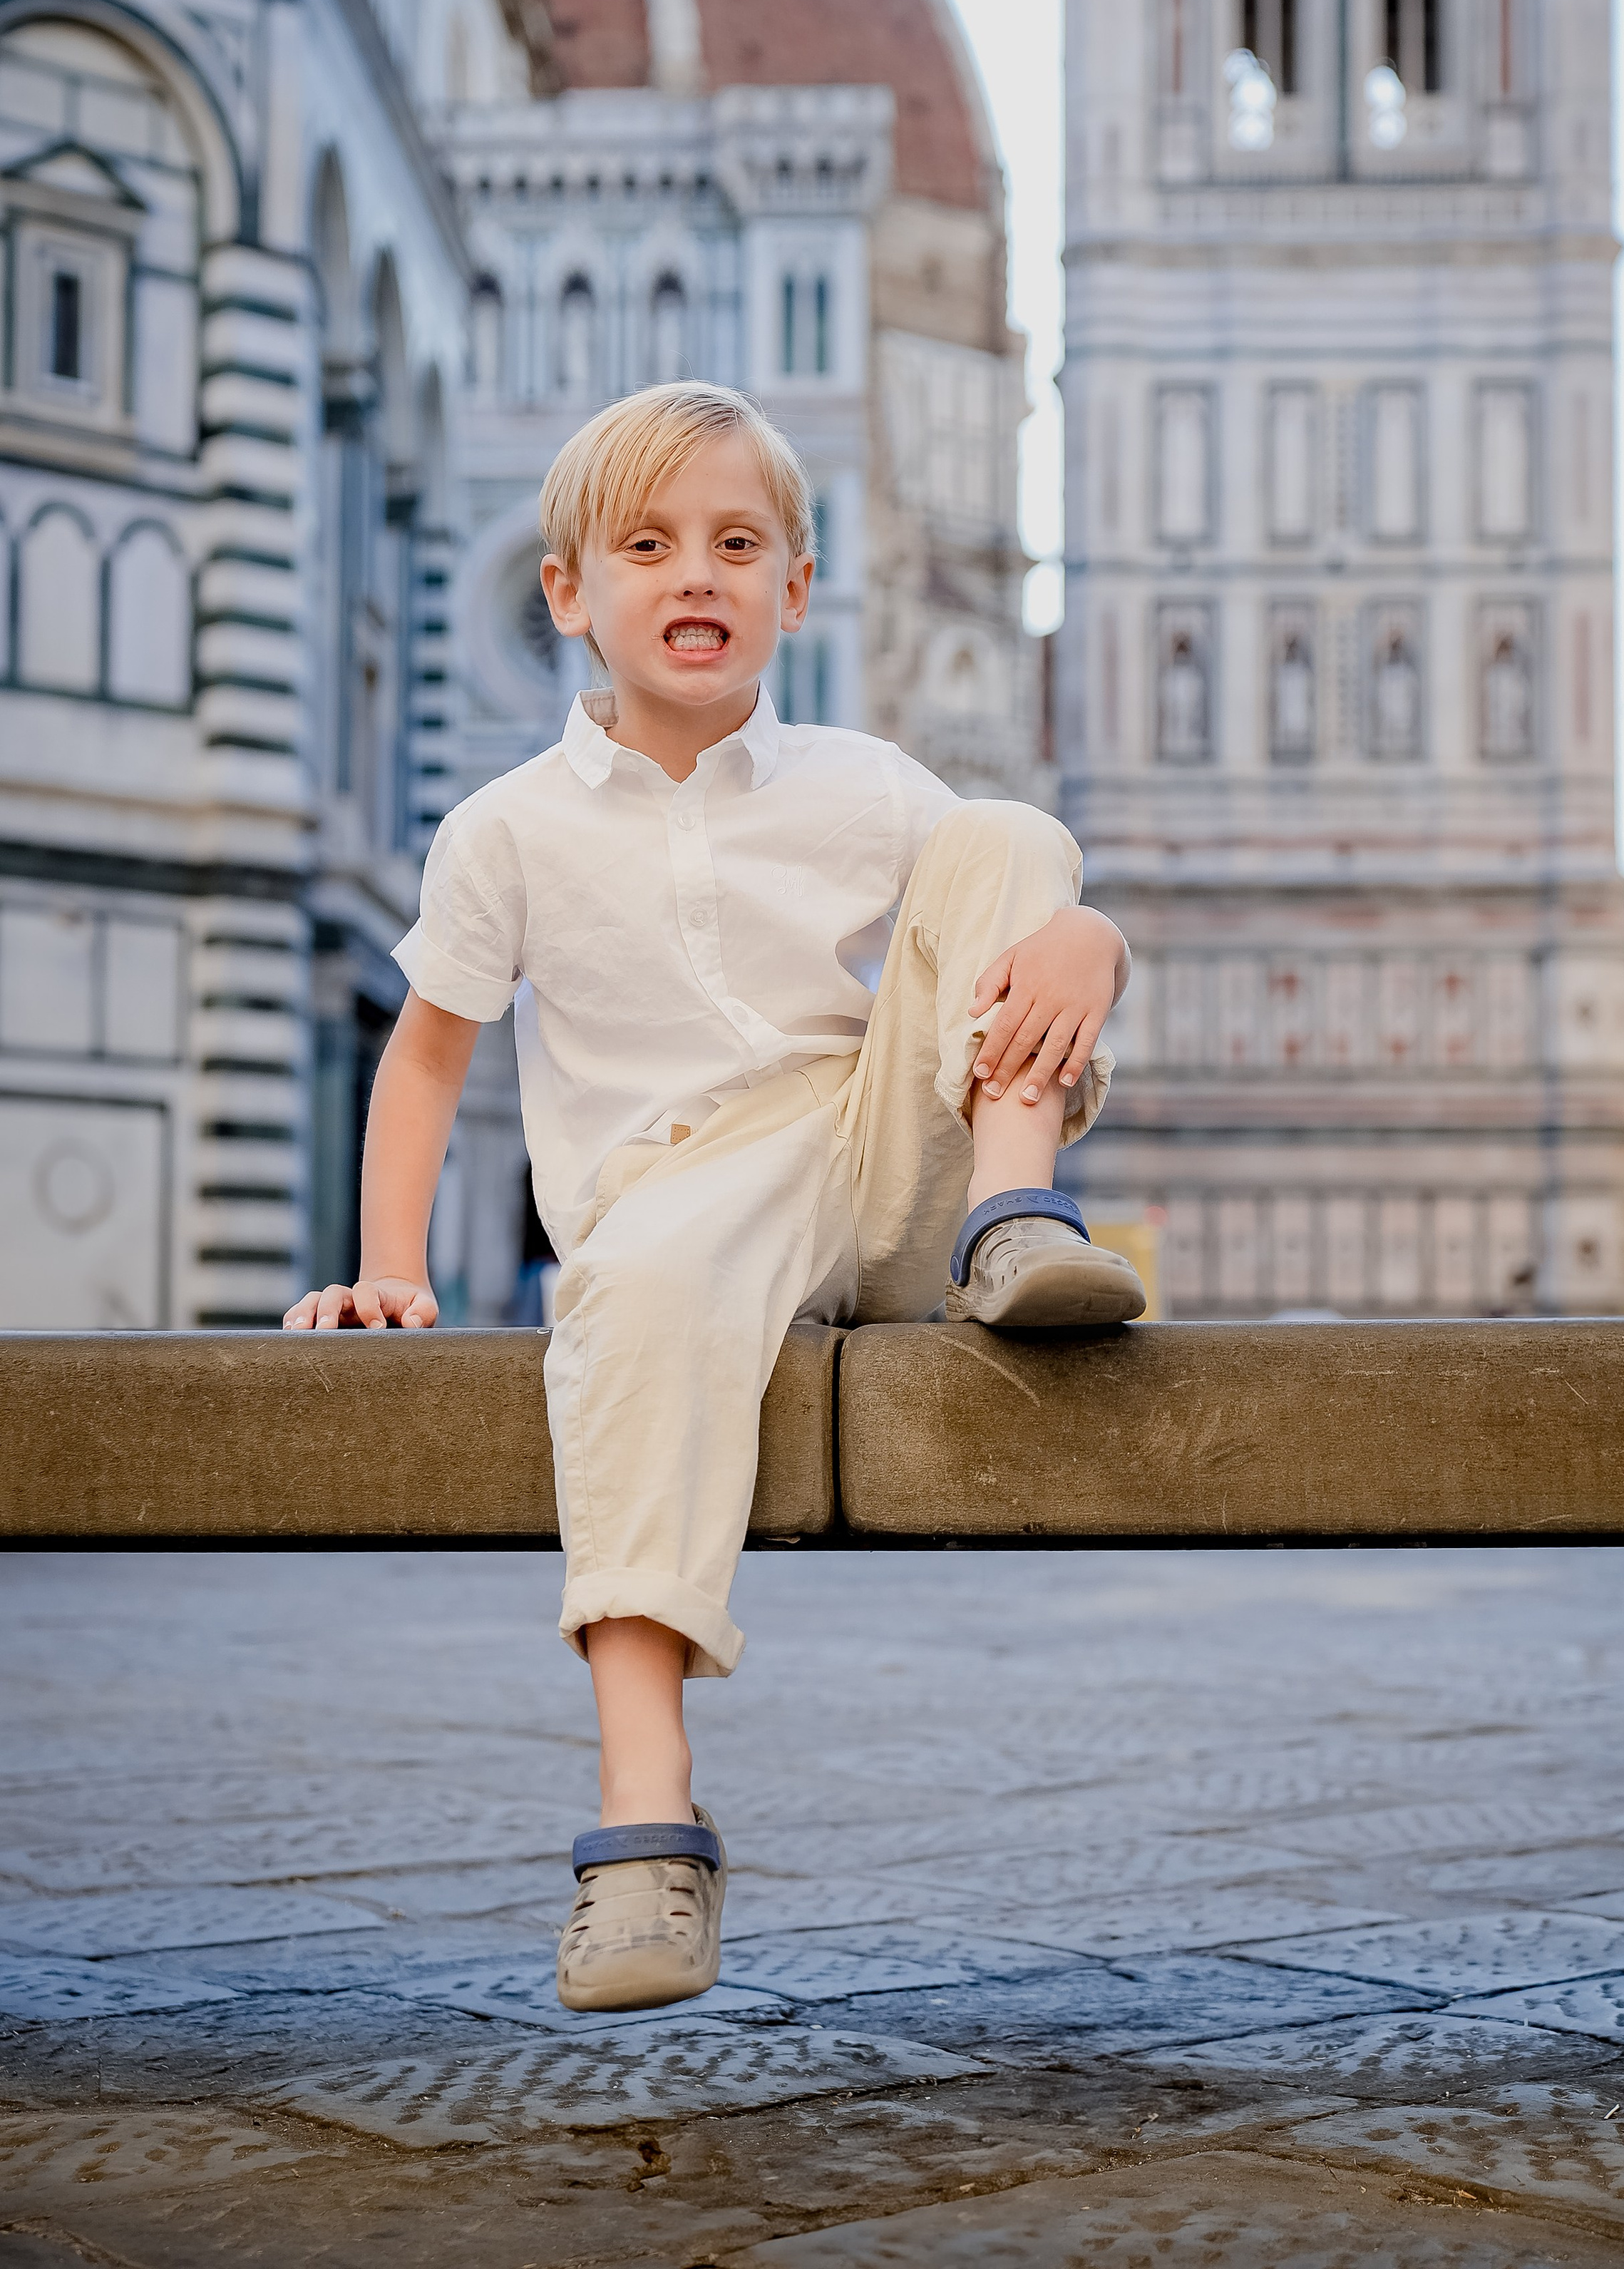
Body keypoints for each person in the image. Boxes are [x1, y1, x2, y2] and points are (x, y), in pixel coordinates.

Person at [284, 381, 1143, 2015]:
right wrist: (390, 1264)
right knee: (637, 1297)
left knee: (1015, 834)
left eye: (737, 544)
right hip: (678, 1204)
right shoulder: (503, 832)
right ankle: (644, 1830)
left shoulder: (864, 783)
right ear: (568, 593)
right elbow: (421, 1062)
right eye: (649, 544)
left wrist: (1087, 933)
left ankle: (1023, 1221)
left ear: (795, 589)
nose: (697, 575)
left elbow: (1002, 908)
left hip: (891, 1174)